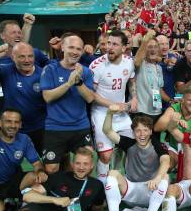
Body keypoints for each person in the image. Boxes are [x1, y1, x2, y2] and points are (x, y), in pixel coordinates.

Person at [100, 106, 171, 211]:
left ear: (151, 131)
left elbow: (165, 162)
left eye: (145, 130)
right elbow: (107, 131)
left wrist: (157, 179)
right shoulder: (129, 144)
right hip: (130, 191)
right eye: (138, 131)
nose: (142, 134)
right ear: (133, 132)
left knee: (164, 177)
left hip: (151, 193)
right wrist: (109, 113)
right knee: (112, 174)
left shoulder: (158, 146)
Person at [40, 34, 95, 174]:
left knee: (86, 161)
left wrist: (78, 82)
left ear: (82, 51)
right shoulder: (50, 69)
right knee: (51, 169)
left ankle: (82, 193)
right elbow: (48, 97)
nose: (75, 52)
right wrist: (68, 83)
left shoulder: (86, 72)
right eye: (71, 47)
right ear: (62, 47)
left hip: (80, 126)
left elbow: (89, 98)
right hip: (56, 126)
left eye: (78, 49)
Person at [89, 30, 137, 184]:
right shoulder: (96, 65)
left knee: (131, 147)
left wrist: (134, 98)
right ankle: (102, 188)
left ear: (123, 48)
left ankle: (117, 179)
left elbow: (132, 81)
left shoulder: (129, 62)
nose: (109, 47)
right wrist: (113, 105)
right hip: (101, 113)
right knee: (105, 156)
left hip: (121, 114)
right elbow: (91, 95)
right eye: (109, 43)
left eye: (115, 44)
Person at [0, 42, 46, 152]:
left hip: (39, 127)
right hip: (13, 128)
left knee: (49, 166)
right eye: (22, 56)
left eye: (30, 56)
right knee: (9, 164)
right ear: (13, 57)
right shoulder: (7, 70)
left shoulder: (43, 74)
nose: (27, 60)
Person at [133, 30, 171, 125]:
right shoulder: (141, 64)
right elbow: (137, 61)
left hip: (157, 111)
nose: (153, 50)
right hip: (141, 112)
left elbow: (159, 89)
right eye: (149, 47)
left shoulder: (159, 68)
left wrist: (170, 100)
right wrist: (146, 39)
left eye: (155, 47)